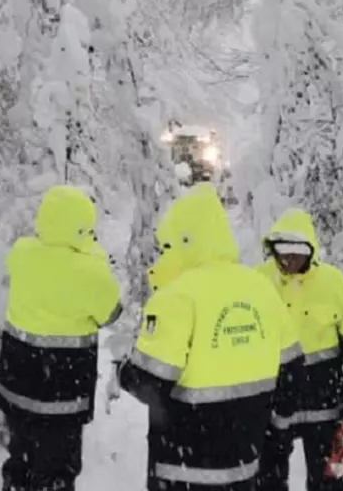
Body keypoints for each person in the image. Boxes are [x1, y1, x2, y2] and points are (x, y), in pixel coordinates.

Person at [117, 182, 303, 490]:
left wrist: (124, 372)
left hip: (184, 471)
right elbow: (293, 369)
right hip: (247, 467)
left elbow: (150, 382)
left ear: (183, 240)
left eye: (167, 246)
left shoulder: (176, 297)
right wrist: (274, 430)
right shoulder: (261, 289)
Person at [0, 185, 123, 491]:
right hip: (62, 394)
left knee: (20, 461)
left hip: (17, 387)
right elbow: (112, 313)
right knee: (57, 470)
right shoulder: (91, 271)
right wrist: (93, 253)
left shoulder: (22, 253)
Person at [254, 208, 343, 491]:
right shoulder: (258, 282)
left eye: (298, 252)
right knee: (267, 477)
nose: (290, 259)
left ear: (311, 251)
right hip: (275, 401)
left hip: (325, 399)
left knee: (326, 478)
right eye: (283, 251)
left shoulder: (332, 282)